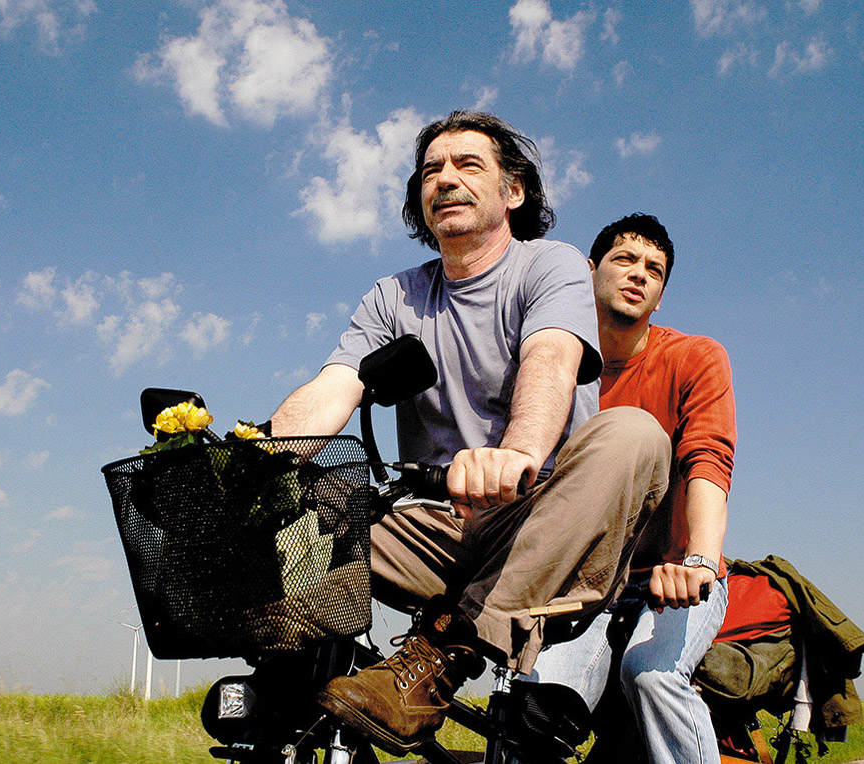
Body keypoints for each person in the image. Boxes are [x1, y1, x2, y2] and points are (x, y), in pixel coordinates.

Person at [269, 112, 671, 753]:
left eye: (467, 165)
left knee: (636, 434)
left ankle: (443, 653)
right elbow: (334, 388)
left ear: (513, 191)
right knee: (293, 530)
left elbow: (551, 360)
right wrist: (254, 456)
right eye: (431, 170)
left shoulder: (552, 266)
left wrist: (517, 454)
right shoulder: (392, 297)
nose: (445, 179)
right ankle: (295, 705)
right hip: (431, 527)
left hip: (539, 520)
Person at [526, 213, 737, 764]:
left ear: (660, 297)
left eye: (654, 270)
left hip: (676, 576)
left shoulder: (695, 357)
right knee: (535, 700)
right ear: (588, 271)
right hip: (588, 583)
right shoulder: (554, 367)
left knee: (650, 675)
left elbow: (709, 461)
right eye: (625, 259)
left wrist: (699, 560)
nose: (639, 274)